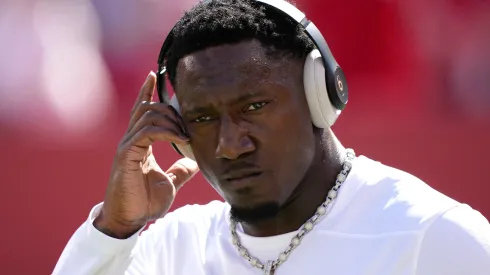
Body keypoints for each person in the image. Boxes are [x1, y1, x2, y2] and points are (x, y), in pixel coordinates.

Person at [53, 0, 490, 274]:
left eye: (254, 108)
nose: (230, 143)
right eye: (203, 118)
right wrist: (114, 229)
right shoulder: (170, 247)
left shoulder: (432, 236)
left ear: (321, 95)